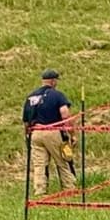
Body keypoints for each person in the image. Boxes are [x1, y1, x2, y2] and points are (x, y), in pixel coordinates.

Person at [21, 69, 76, 197]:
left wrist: (27, 136)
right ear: (53, 81)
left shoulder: (30, 97)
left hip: (35, 133)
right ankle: (69, 189)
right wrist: (72, 134)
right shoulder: (57, 95)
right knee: (63, 160)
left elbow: (25, 120)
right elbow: (65, 115)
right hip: (52, 132)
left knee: (40, 164)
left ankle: (40, 191)